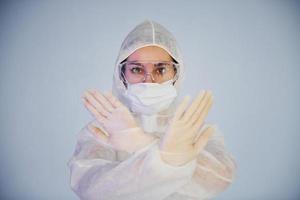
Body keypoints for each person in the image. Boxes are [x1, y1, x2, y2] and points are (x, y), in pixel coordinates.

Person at [67, 19, 236, 200]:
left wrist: (144, 145)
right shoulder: (103, 130)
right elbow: (92, 190)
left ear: (177, 74)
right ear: (121, 75)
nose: (149, 80)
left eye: (161, 69)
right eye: (137, 70)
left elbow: (221, 178)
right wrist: (167, 157)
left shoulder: (197, 130)